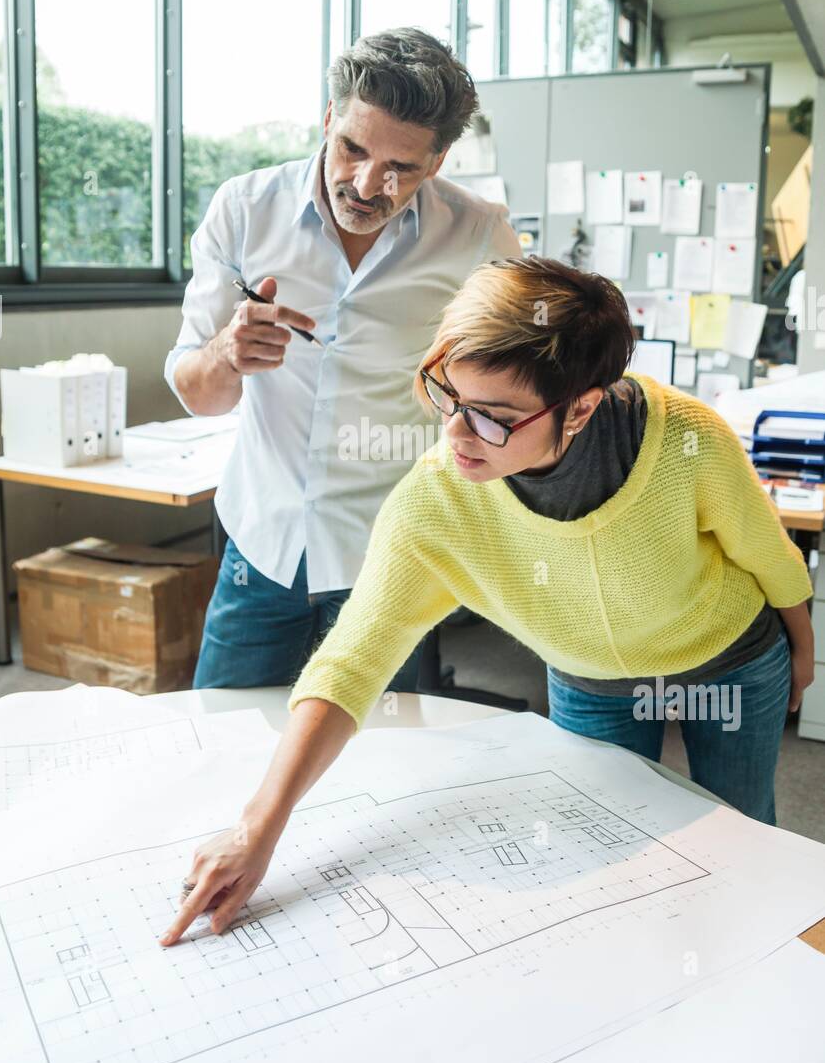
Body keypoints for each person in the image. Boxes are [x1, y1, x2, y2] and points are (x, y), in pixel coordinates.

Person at [160, 256, 814, 946]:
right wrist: (255, 831)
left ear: (582, 405)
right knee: (612, 859)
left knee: (741, 840)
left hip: (731, 663)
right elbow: (351, 661)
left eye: (495, 417)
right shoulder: (439, 499)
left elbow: (764, 550)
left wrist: (803, 646)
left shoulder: (686, 438)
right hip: (593, 682)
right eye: (450, 396)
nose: (458, 434)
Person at [164, 27, 518, 692]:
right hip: (261, 543)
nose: (366, 182)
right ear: (329, 120)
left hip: (388, 557)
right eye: (352, 148)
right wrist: (226, 354)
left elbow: (522, 381)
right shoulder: (243, 211)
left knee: (379, 770)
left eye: (401, 169)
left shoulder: (477, 235)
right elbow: (197, 393)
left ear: (437, 163)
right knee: (223, 741)